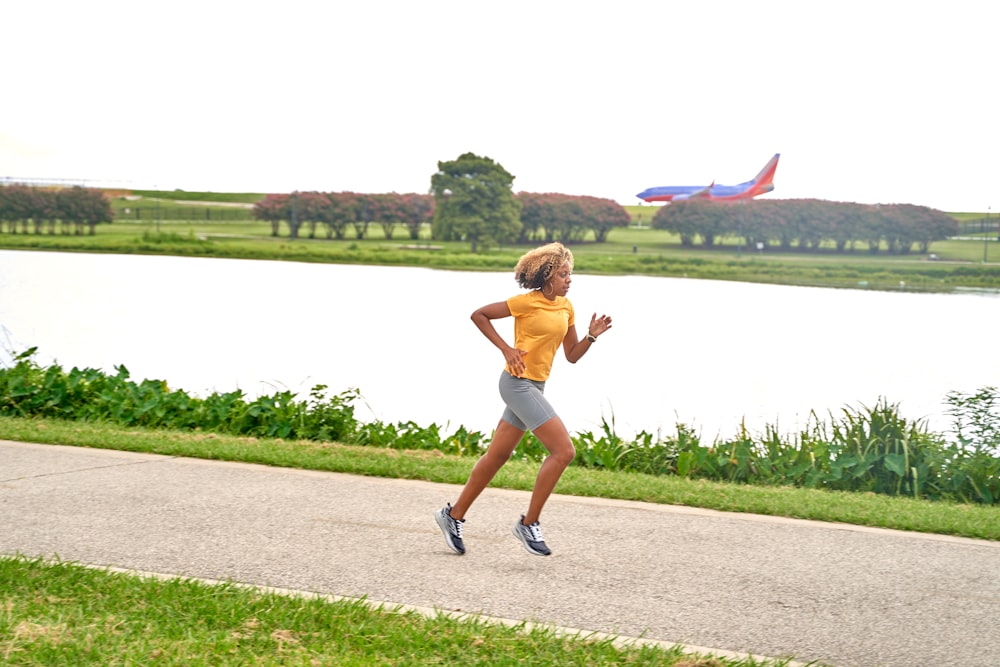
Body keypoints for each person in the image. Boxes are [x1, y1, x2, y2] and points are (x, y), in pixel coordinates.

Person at [435, 242, 612, 556]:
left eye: (570, 274)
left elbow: (571, 356)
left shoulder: (566, 307)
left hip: (537, 386)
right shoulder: (525, 303)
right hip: (517, 384)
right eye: (563, 274)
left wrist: (592, 336)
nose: (569, 280)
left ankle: (453, 515)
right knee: (563, 451)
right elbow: (479, 315)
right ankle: (529, 523)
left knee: (497, 456)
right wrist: (506, 349)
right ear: (547, 276)